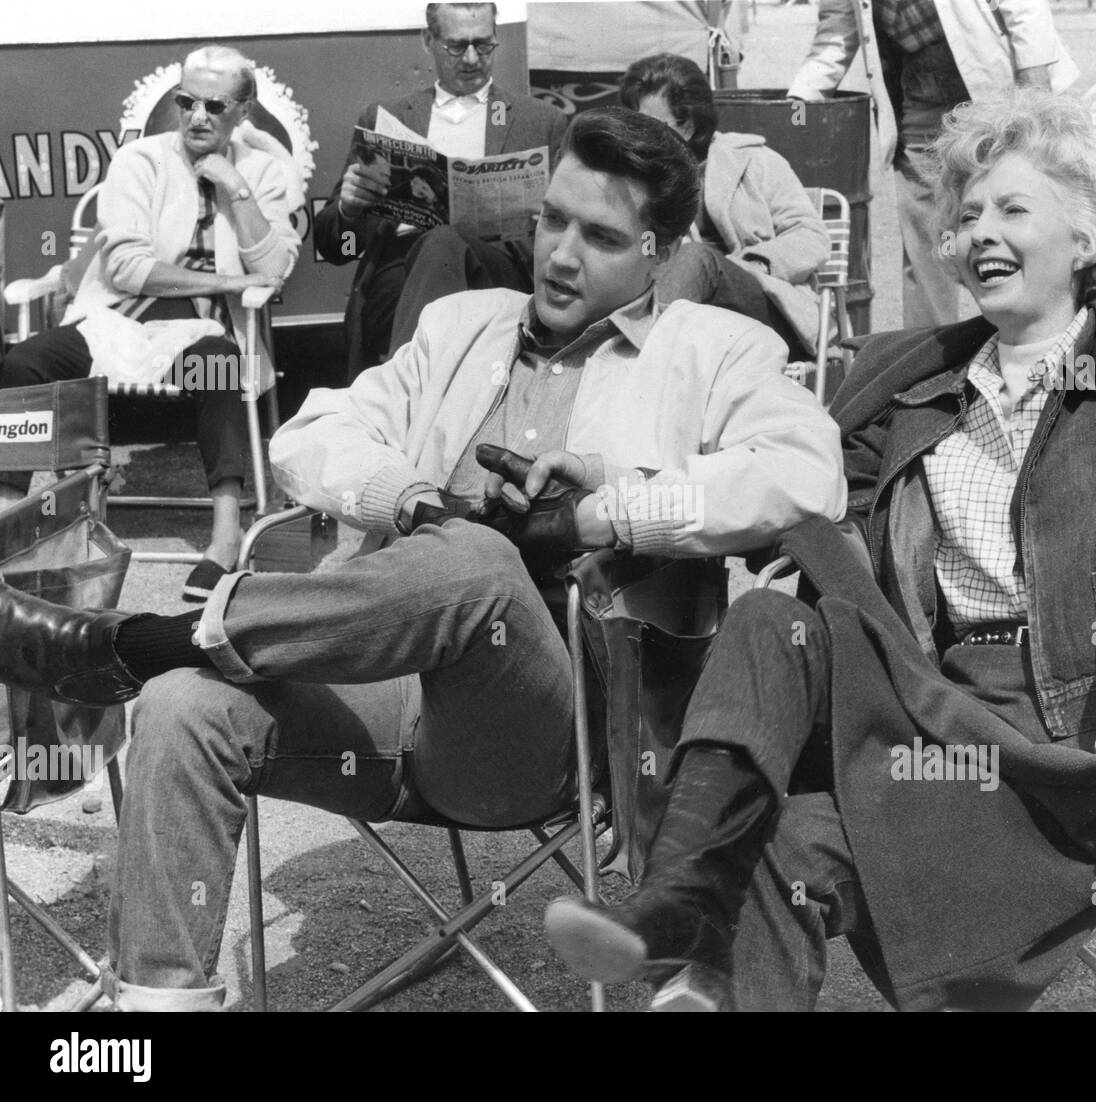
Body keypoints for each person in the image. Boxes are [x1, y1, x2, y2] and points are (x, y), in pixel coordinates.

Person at [0, 107, 845, 1011]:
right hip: (388, 693)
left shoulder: (714, 349)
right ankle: (155, 1010)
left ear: (660, 252)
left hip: (553, 730)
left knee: (479, 563)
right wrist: (410, 499)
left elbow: (806, 474)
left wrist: (606, 511)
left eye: (599, 237)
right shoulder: (462, 327)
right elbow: (313, 433)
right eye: (552, 220)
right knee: (182, 706)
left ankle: (150, 637)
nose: (560, 255)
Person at [545, 90, 1096, 1012]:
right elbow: (795, 486)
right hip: (925, 721)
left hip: (1065, 756)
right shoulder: (916, 386)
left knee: (800, 843)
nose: (982, 231)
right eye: (968, 212)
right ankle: (680, 902)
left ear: (1087, 234)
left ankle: (692, 920)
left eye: (1014, 209)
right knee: (774, 625)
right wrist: (620, 487)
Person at [0, 45, 299, 601]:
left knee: (220, 368)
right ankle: (6, 513)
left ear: (243, 110)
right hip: (116, 320)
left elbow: (274, 268)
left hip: (206, 331)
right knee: (21, 365)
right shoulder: (140, 161)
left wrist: (236, 187)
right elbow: (129, 268)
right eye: (187, 102)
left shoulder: (264, 174)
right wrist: (224, 282)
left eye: (213, 105)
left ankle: (224, 538)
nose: (196, 116)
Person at [315, 1, 568, 381]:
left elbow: (566, 234)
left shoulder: (541, 122)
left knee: (444, 241)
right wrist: (349, 213)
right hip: (400, 272)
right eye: (456, 46)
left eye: (484, 45)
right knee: (436, 246)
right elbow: (341, 249)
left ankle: (404, 394)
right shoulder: (387, 119)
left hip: (498, 268)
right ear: (428, 41)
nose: (471, 59)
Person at [788, 0, 1078, 328]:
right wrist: (796, 105)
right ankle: (931, 361)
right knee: (929, 241)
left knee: (1022, 219)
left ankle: (1047, 338)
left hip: (997, 91)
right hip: (920, 104)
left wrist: (1035, 99)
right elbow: (836, 33)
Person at [620, 53, 829, 359]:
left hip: (761, 312)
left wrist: (755, 262)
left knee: (696, 258)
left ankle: (638, 365)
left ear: (687, 125)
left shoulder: (753, 160)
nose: (638, 136)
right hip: (682, 318)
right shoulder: (639, 180)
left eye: (649, 125)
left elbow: (811, 235)